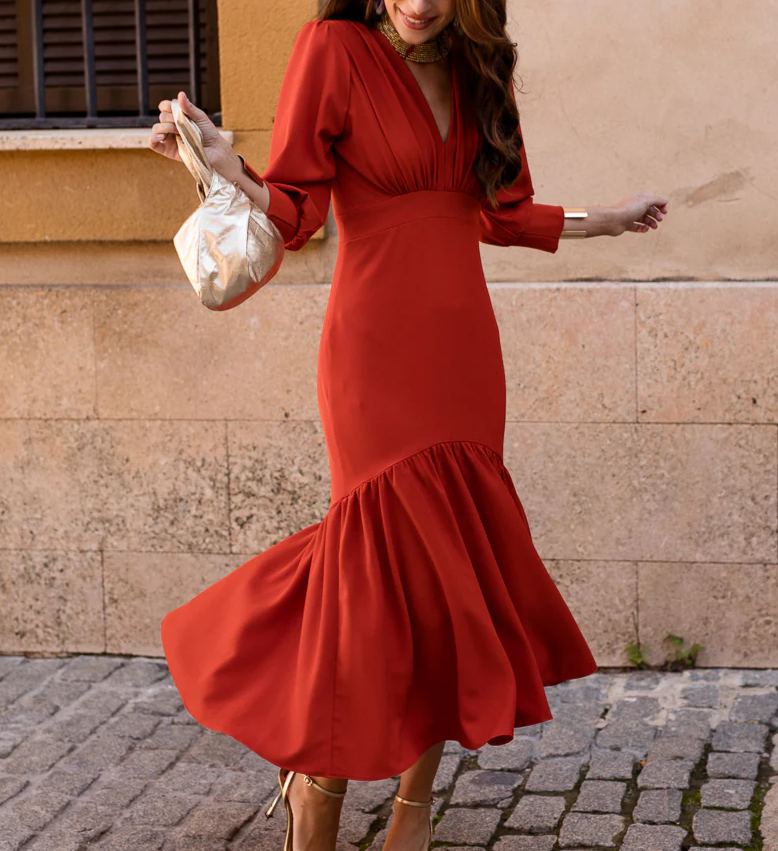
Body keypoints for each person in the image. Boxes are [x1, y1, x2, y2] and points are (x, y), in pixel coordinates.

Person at [149, 1, 668, 849]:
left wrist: (606, 219)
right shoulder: (333, 49)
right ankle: (317, 780)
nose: (420, 2)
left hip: (462, 346)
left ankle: (412, 808)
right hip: (373, 345)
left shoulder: (477, 67)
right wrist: (219, 164)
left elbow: (500, 213)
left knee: (449, 574)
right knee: (371, 571)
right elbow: (296, 211)